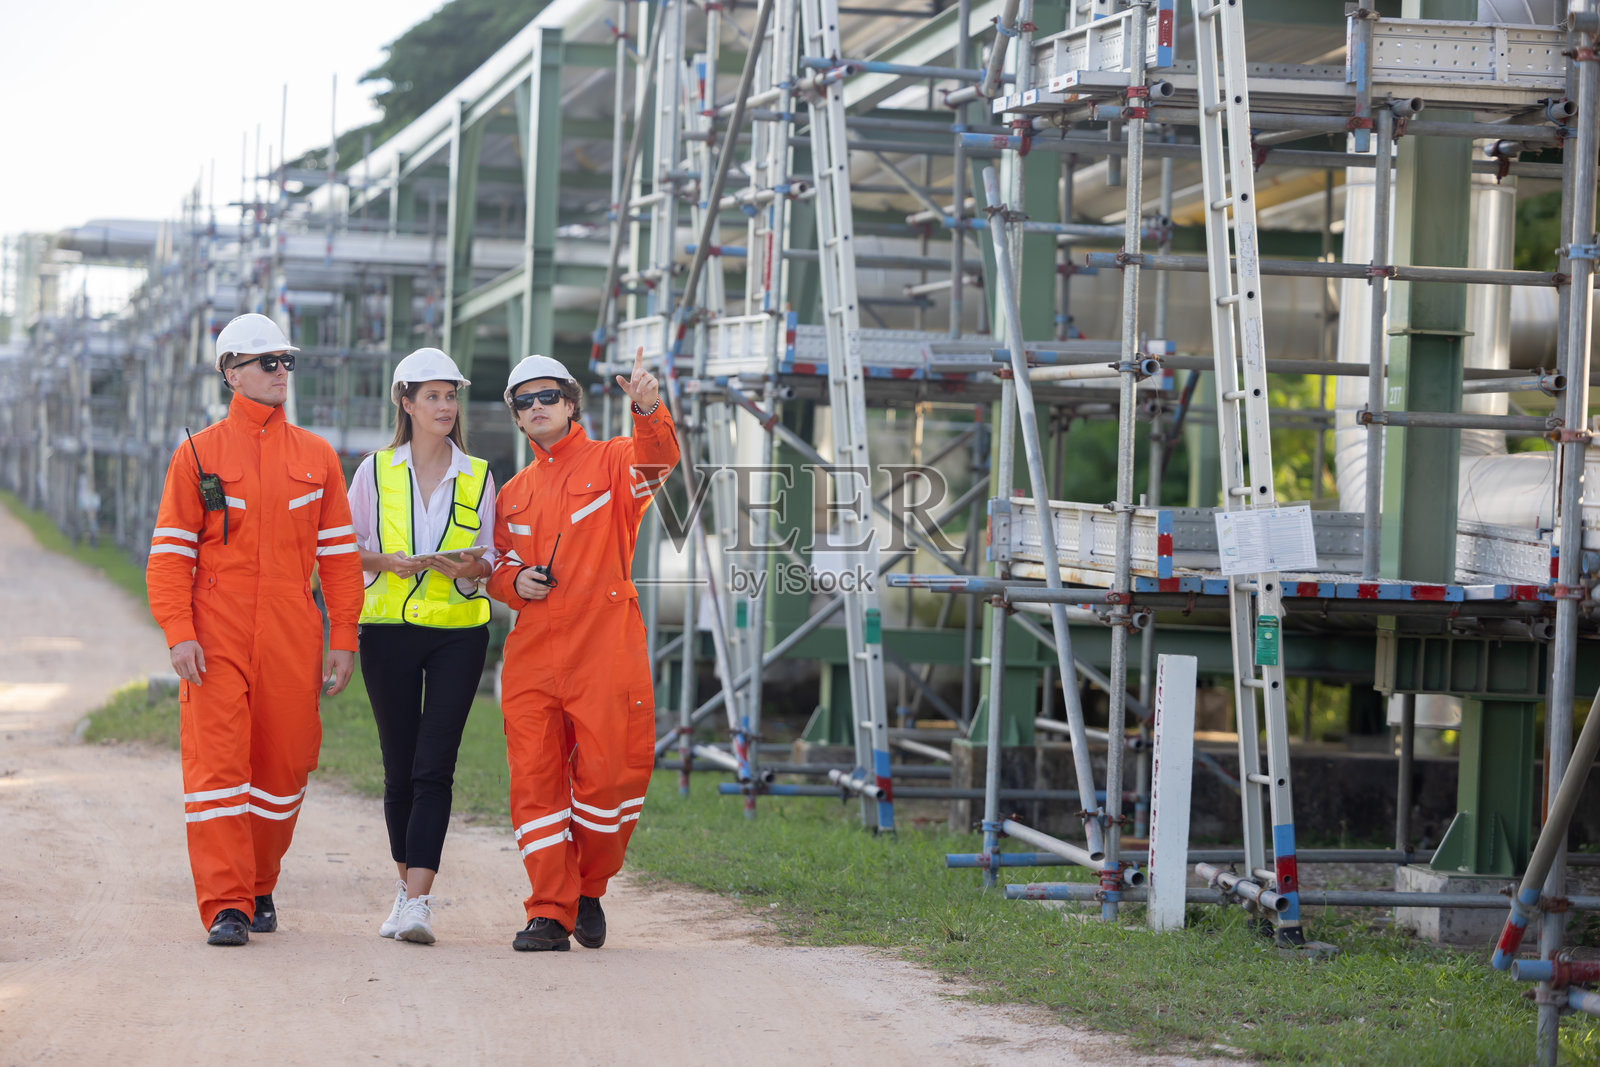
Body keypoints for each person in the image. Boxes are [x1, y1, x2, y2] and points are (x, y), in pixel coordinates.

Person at [146, 312, 363, 946]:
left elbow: (341, 561)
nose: (280, 374)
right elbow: (170, 554)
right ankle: (227, 905)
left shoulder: (317, 457)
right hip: (216, 626)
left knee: (286, 765)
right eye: (267, 363)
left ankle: (261, 879)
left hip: (293, 626)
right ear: (230, 372)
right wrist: (178, 630)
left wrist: (343, 638)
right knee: (217, 767)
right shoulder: (197, 455)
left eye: (286, 362)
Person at [488, 348, 678, 952]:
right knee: (535, 784)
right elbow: (496, 566)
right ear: (516, 417)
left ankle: (589, 886)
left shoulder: (615, 461)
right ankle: (548, 910)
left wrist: (649, 409)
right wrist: (513, 583)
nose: (538, 408)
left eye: (549, 396)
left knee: (609, 781)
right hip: (533, 656)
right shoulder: (511, 494)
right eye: (526, 402)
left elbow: (659, 458)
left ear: (570, 403)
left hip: (605, 648)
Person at [347, 347, 496, 944]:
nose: (444, 406)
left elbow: (489, 558)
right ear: (405, 403)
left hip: (459, 634)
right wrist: (391, 562)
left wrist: (466, 567)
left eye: (450, 396)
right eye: (431, 396)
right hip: (387, 632)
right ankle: (404, 890)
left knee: (436, 767)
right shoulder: (374, 472)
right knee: (399, 768)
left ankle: (418, 903)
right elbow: (344, 550)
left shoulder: (480, 475)